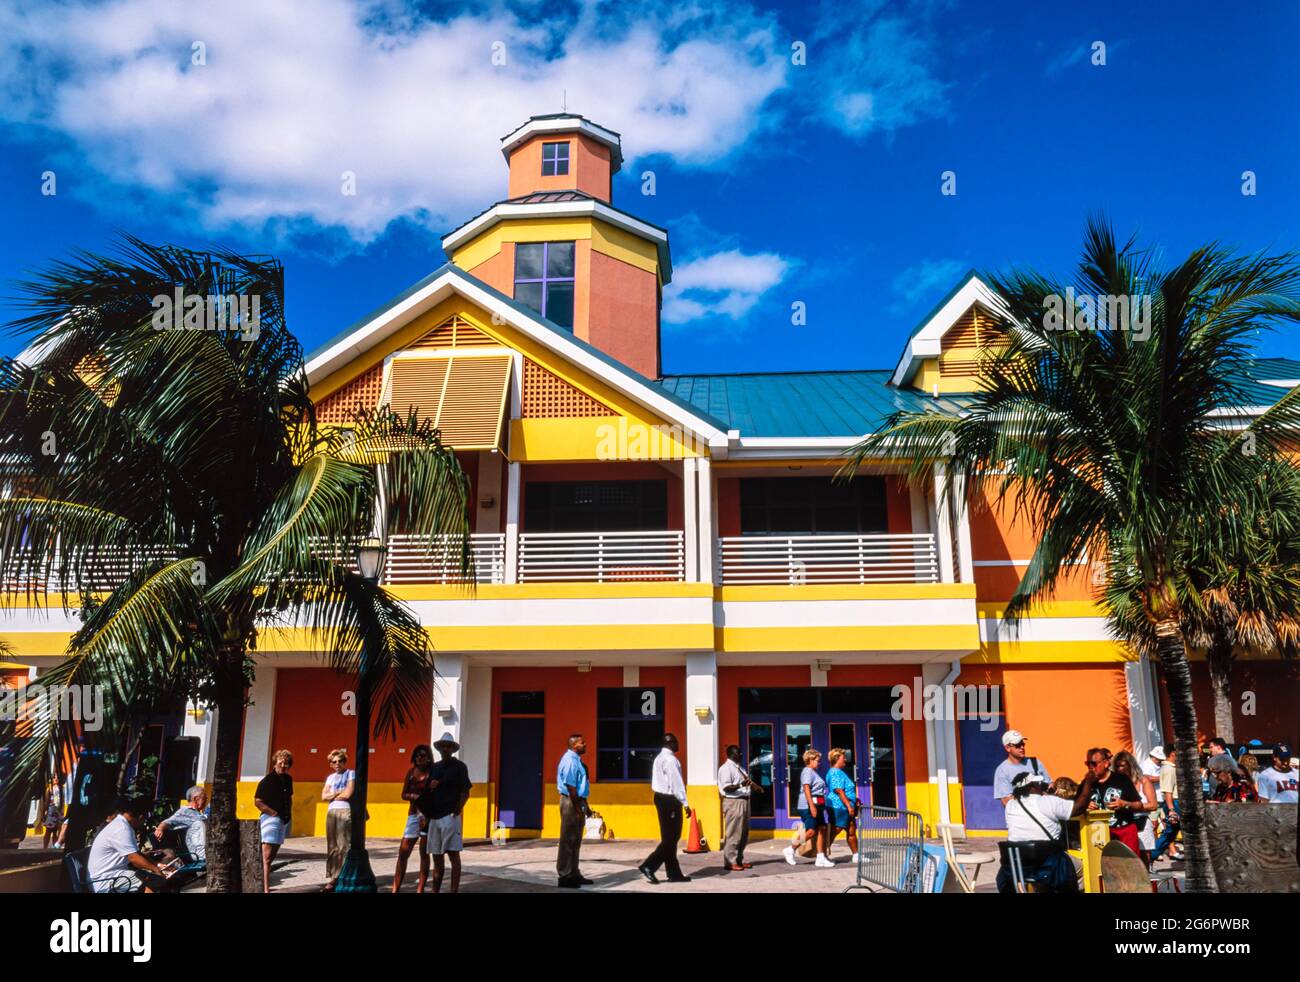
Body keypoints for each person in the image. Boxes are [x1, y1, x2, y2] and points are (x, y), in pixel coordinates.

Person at [997, 773, 1088, 893]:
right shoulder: (1047, 801)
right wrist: (1089, 783)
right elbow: (1078, 808)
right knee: (1082, 868)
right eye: (1039, 784)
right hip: (1048, 865)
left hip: (1018, 866)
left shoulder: (1010, 805)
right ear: (1031, 787)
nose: (1042, 786)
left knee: (1039, 878)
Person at [417, 731, 472, 893]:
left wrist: (457, 810)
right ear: (439, 749)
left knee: (454, 855)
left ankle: (453, 890)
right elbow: (426, 792)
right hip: (434, 818)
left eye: (448, 746)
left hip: (450, 816)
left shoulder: (460, 767)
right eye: (443, 746)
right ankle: (436, 890)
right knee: (437, 857)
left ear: (452, 749)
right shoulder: (434, 768)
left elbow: (465, 791)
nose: (445, 749)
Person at [86, 796, 172, 892]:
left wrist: (158, 864)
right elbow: (134, 858)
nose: (143, 823)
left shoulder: (121, 823)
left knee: (153, 877)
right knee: (154, 880)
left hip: (111, 874)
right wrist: (156, 870)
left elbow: (136, 855)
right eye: (144, 820)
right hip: (105, 880)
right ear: (141, 817)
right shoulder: (122, 828)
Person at [638, 732, 691, 884]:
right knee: (672, 838)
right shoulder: (670, 760)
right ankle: (649, 865)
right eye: (675, 741)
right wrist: (685, 803)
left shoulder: (659, 758)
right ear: (669, 743)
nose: (678, 744)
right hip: (670, 800)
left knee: (669, 837)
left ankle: (674, 873)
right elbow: (676, 784)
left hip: (661, 798)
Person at [1075, 747, 1143, 853]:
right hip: (1097, 834)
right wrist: (1085, 805)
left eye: (1093, 764)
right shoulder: (1086, 782)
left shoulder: (1122, 779)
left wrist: (1125, 804)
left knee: (1129, 867)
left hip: (1123, 831)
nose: (1090, 767)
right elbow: (1074, 805)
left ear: (1106, 763)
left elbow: (1139, 805)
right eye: (1087, 764)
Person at [392, 744, 434, 893]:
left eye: (422, 755)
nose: (419, 758)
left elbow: (435, 796)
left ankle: (420, 889)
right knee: (403, 851)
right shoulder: (411, 773)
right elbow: (403, 794)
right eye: (417, 755)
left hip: (428, 816)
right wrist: (413, 796)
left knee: (424, 853)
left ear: (428, 757)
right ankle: (395, 888)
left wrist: (428, 815)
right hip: (413, 814)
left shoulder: (433, 773)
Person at [784, 748, 833, 868]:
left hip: (819, 804)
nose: (819, 762)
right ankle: (790, 849)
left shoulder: (814, 772)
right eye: (817, 760)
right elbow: (806, 789)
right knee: (811, 831)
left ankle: (820, 857)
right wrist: (811, 806)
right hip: (808, 805)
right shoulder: (807, 771)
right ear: (810, 760)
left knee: (822, 828)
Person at [254, 749, 294, 893]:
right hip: (270, 820)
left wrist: (288, 813)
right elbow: (257, 802)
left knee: (272, 857)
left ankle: (264, 885)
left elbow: (289, 797)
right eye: (281, 762)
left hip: (283, 820)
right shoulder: (267, 781)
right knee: (266, 857)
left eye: (286, 763)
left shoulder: (288, 779)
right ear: (275, 763)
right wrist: (274, 813)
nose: (283, 765)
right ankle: (265, 888)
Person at [556, 733, 592, 888]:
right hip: (571, 801)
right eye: (582, 743)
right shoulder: (570, 761)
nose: (585, 745)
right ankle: (565, 876)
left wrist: (586, 807)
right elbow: (571, 787)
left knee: (575, 839)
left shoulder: (577, 761)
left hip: (578, 800)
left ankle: (574, 873)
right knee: (567, 840)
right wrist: (577, 807)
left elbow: (580, 786)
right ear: (574, 745)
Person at [1113, 751, 1158, 866]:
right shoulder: (1114, 784)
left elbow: (1153, 804)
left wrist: (1129, 805)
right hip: (1121, 825)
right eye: (1117, 766)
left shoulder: (1143, 781)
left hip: (1140, 824)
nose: (1119, 769)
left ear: (1130, 765)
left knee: (1143, 862)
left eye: (1122, 765)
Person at [320, 749, 355, 892]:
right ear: (330, 764)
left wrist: (332, 795)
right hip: (331, 812)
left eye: (340, 761)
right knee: (332, 845)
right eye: (334, 762)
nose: (337, 763)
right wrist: (336, 793)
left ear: (344, 761)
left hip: (344, 810)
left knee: (344, 845)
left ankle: (345, 876)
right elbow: (323, 796)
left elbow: (348, 793)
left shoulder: (350, 773)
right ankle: (333, 877)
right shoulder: (330, 778)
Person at [717, 744, 753, 872]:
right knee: (733, 833)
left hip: (744, 801)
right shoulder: (726, 768)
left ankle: (739, 859)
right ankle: (729, 861)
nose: (741, 755)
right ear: (732, 754)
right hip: (733, 802)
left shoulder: (739, 768)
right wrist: (740, 784)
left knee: (743, 833)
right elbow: (727, 788)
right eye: (739, 753)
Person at [993, 730, 1051, 806]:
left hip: (1041, 812)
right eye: (1017, 745)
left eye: (1023, 744)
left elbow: (1049, 784)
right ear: (1007, 748)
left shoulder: (1036, 762)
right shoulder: (1002, 770)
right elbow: (1006, 801)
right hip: (1021, 815)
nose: (1022, 747)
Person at [155, 786, 208, 863]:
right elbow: (169, 821)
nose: (206, 800)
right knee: (199, 824)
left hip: (205, 848)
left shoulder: (198, 813)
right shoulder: (185, 811)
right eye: (204, 798)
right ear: (196, 799)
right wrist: (160, 828)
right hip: (199, 854)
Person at [826, 748, 859, 863]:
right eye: (842, 757)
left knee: (851, 830)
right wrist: (849, 806)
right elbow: (839, 790)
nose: (845, 759)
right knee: (836, 829)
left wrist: (854, 800)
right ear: (836, 759)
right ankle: (823, 853)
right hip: (839, 806)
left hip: (846, 804)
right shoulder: (835, 772)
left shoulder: (839, 772)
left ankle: (856, 855)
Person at [1151, 747, 1183, 863]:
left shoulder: (1169, 768)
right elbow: (1167, 791)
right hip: (1174, 803)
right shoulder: (1168, 769)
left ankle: (1151, 855)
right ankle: (1151, 855)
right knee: (1169, 834)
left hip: (1174, 803)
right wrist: (1172, 810)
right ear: (1173, 754)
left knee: (1170, 834)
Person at [40, 776, 65, 849]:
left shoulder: (62, 789)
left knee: (56, 832)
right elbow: (46, 803)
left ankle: (55, 847)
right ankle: (45, 847)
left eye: (58, 777)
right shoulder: (50, 789)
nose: (56, 779)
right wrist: (43, 813)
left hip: (59, 813)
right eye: (54, 777)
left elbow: (63, 801)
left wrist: (62, 812)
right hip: (51, 813)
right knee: (48, 831)